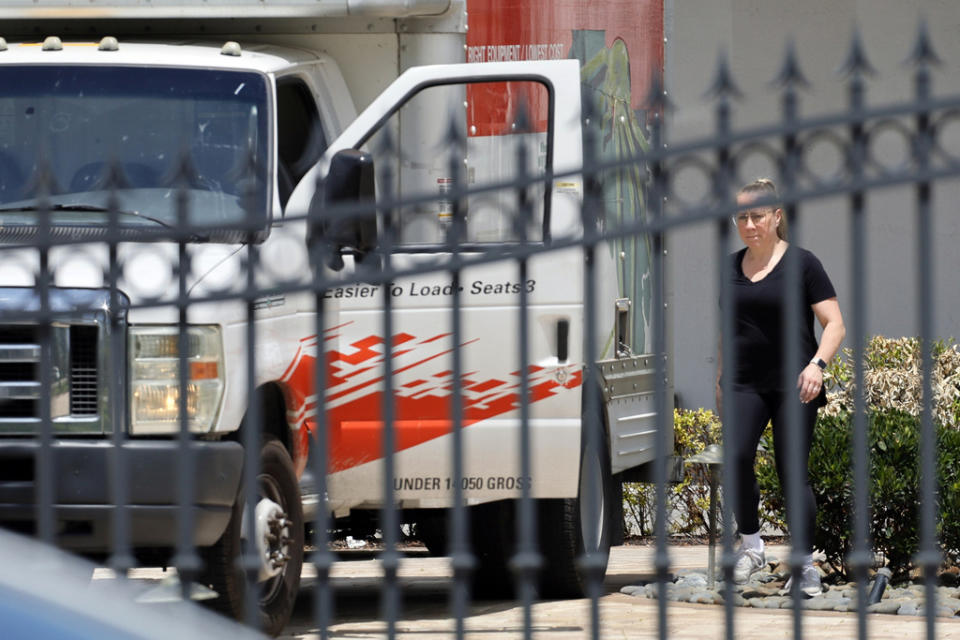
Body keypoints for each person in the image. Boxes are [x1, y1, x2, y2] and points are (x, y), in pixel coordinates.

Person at [716, 178, 845, 597]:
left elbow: (835, 324)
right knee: (735, 460)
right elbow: (728, 331)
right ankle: (751, 546)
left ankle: (805, 566)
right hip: (743, 383)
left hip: (795, 383)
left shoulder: (803, 264)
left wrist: (817, 365)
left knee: (792, 473)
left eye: (757, 216)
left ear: (777, 217)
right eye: (741, 217)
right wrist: (720, 378)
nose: (749, 224)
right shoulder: (731, 267)